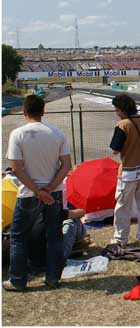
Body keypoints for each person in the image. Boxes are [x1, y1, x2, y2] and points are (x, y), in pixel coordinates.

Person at [4, 95, 72, 291]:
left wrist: (37, 190)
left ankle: (18, 279)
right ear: (43, 111)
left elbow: (16, 168)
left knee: (18, 236)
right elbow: (66, 164)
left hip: (28, 193)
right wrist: (49, 188)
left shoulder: (18, 134)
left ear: (24, 112)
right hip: (54, 192)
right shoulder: (57, 134)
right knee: (54, 235)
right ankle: (52, 277)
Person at [110, 93, 140, 248]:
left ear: (123, 110)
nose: (116, 113)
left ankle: (121, 239)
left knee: (123, 208)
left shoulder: (123, 125)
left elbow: (115, 150)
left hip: (128, 172)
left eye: (117, 110)